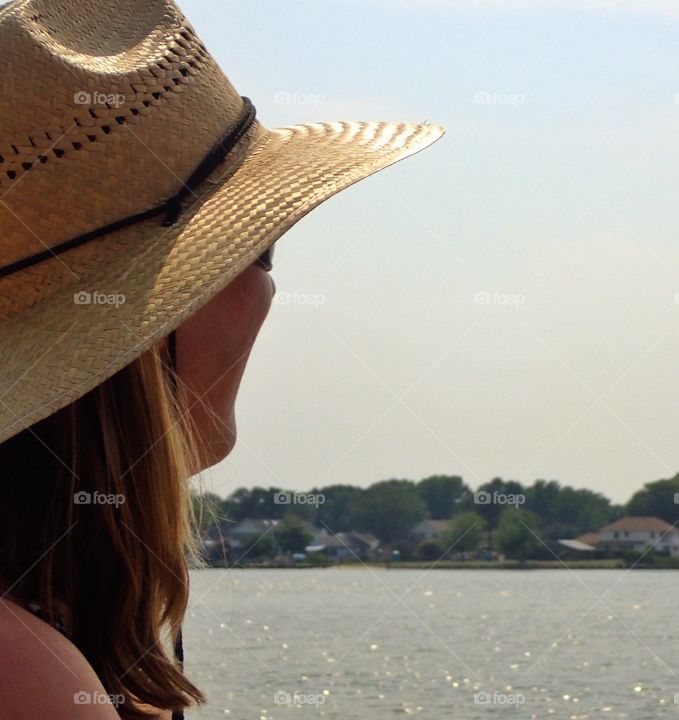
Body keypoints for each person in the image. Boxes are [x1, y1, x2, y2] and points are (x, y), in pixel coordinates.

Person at [0, 0, 444, 718]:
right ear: (149, 327)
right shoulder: (27, 673)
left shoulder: (46, 635)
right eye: (257, 250)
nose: (270, 290)